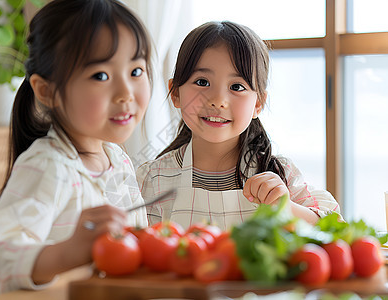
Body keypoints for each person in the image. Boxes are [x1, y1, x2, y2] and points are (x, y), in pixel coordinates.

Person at [0, 0, 152, 298]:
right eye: (101, 75)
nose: (126, 93)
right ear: (47, 91)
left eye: (136, 71)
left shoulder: (117, 158)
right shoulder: (49, 167)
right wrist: (65, 253)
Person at [136, 21, 341, 231]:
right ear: (176, 93)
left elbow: (334, 227)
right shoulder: (150, 180)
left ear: (258, 103)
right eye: (202, 82)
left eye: (237, 86)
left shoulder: (279, 174)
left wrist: (286, 208)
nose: (218, 100)